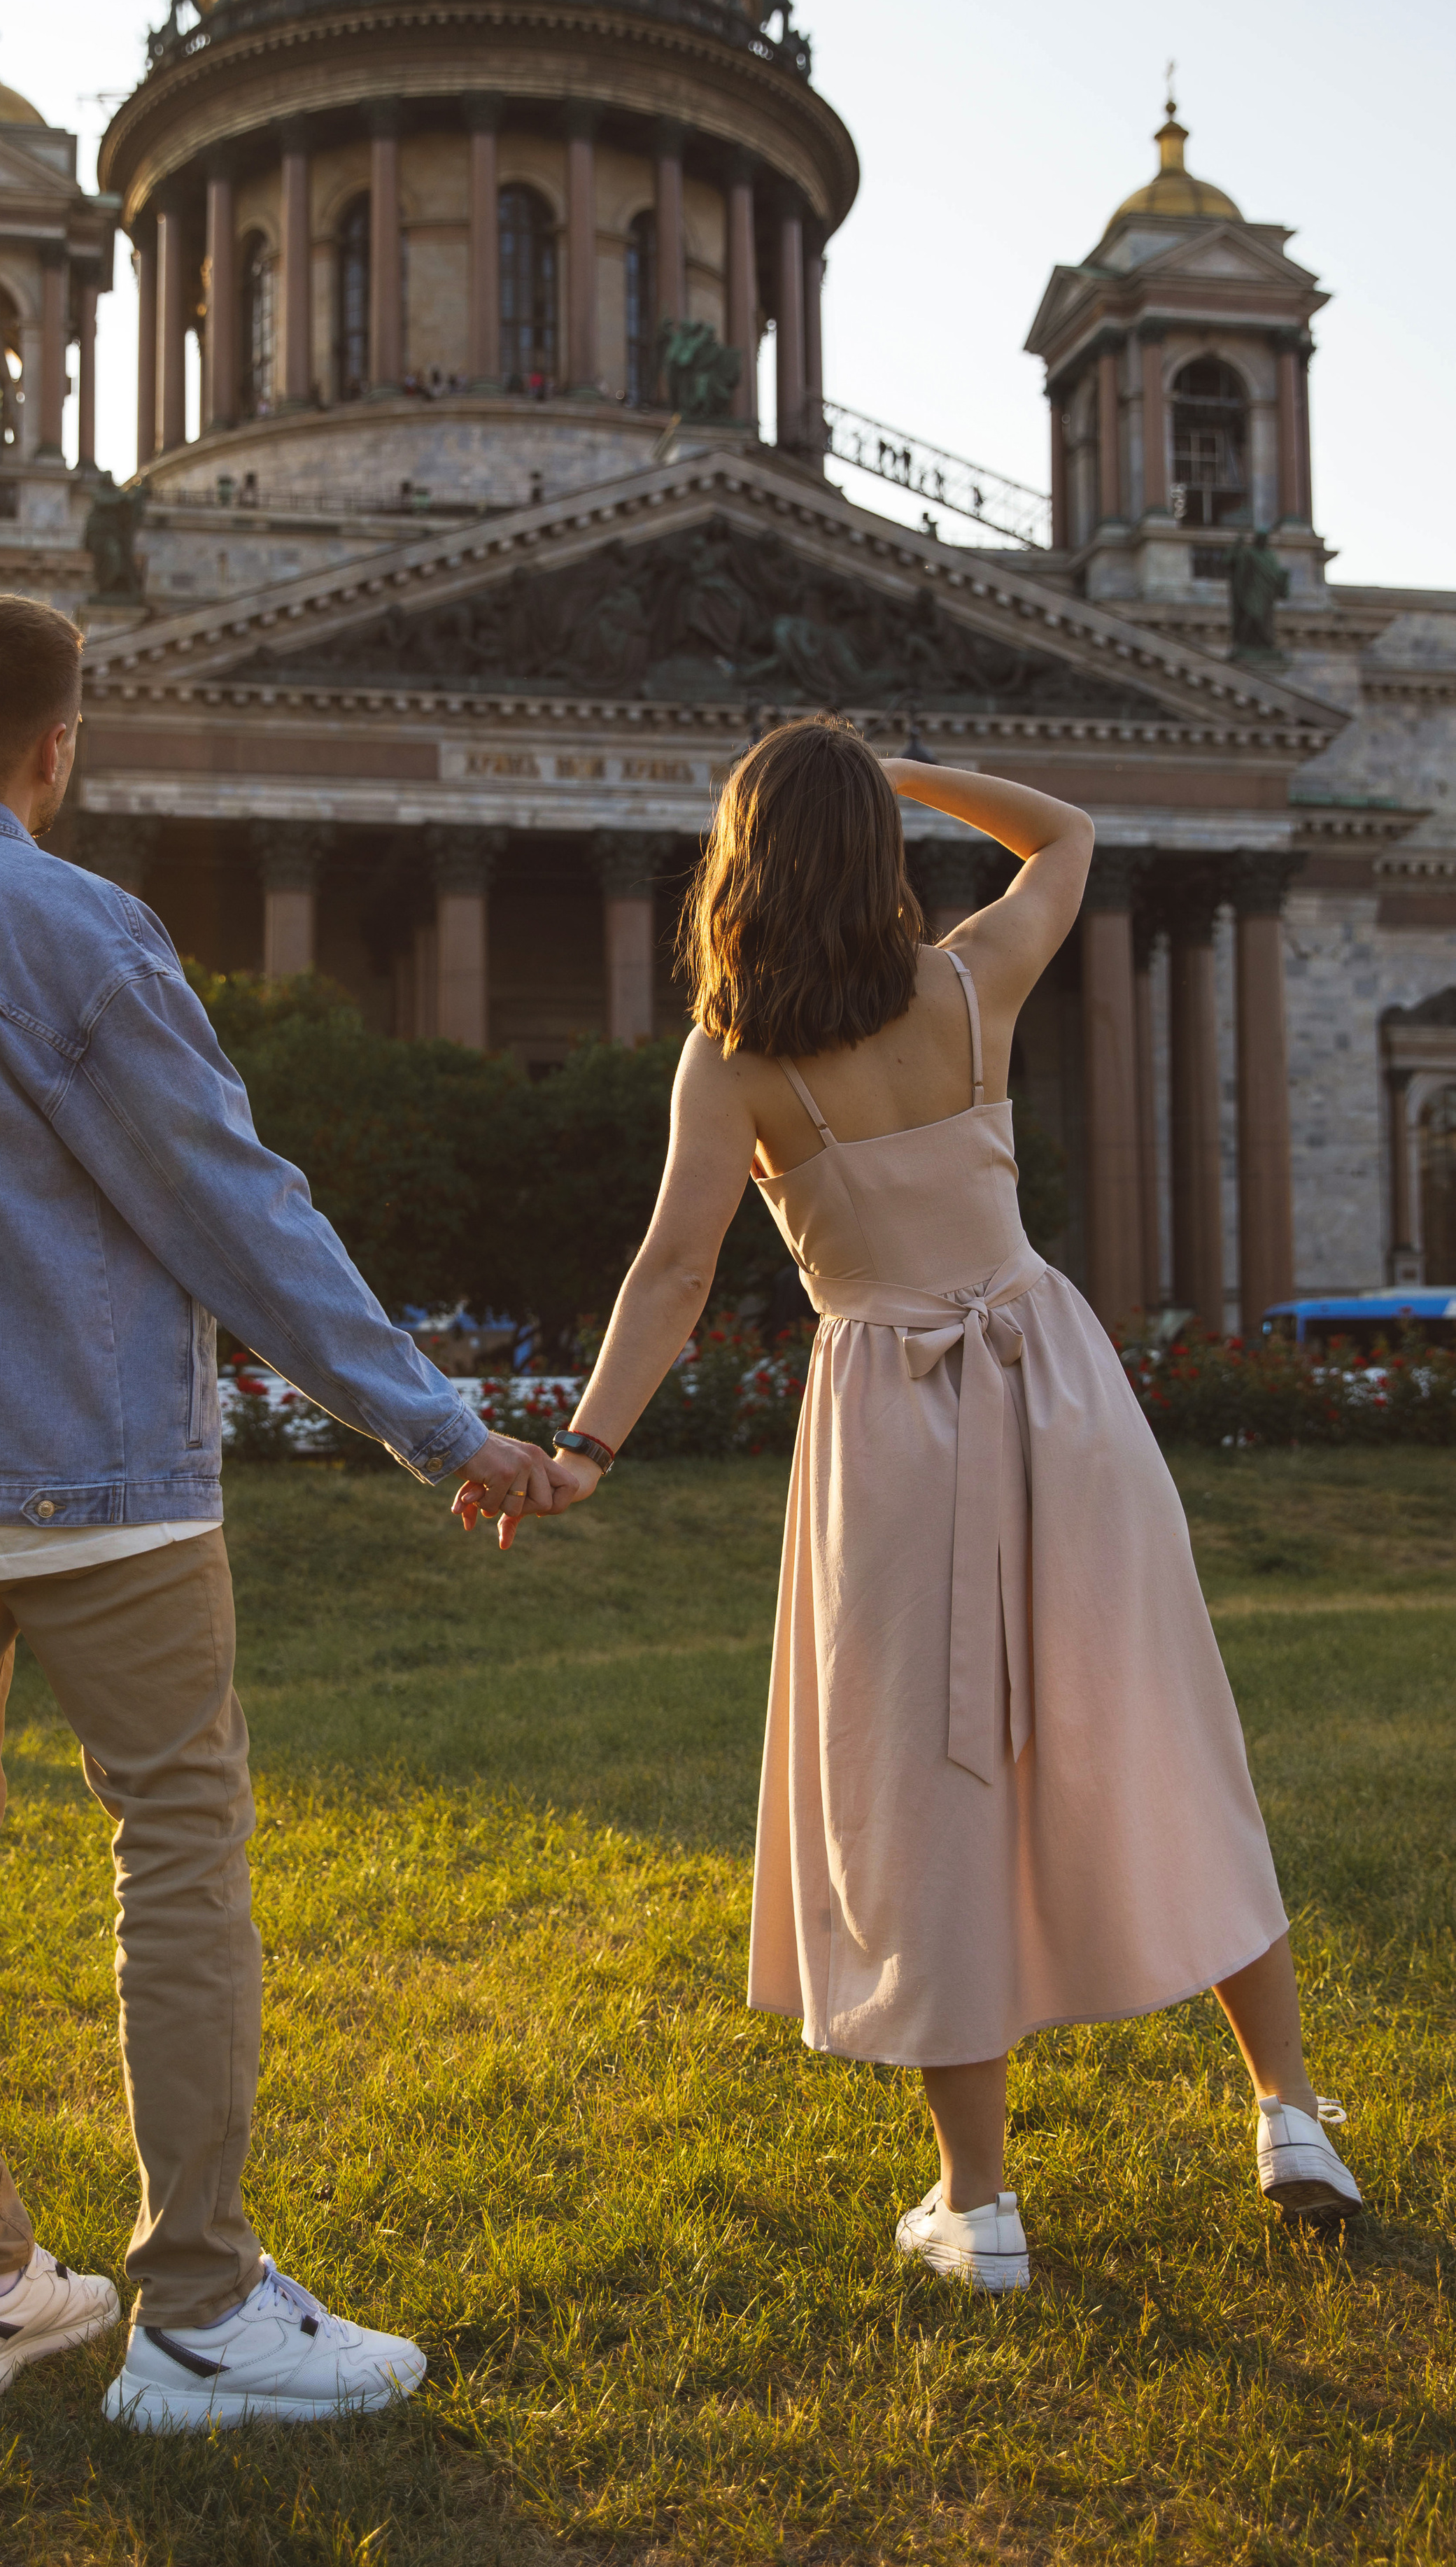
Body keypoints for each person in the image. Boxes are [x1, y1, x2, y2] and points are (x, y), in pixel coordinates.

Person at [0, 593, 570, 2423]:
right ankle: (197, 2303)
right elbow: (234, 1205)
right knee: (177, 1851)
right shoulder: (70, 921)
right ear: (57, 746)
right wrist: (441, 1432)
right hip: (92, 1479)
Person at [537, 715, 1361, 2291]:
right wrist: (901, 770)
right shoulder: (970, 982)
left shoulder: (736, 1060)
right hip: (1057, 1385)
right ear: (873, 857)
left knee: (924, 1792)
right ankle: (1288, 2114)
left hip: (894, 1425)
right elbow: (1063, 836)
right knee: (1170, 1732)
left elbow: (673, 1272)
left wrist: (586, 1444)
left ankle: (975, 2207)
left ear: (741, 867)